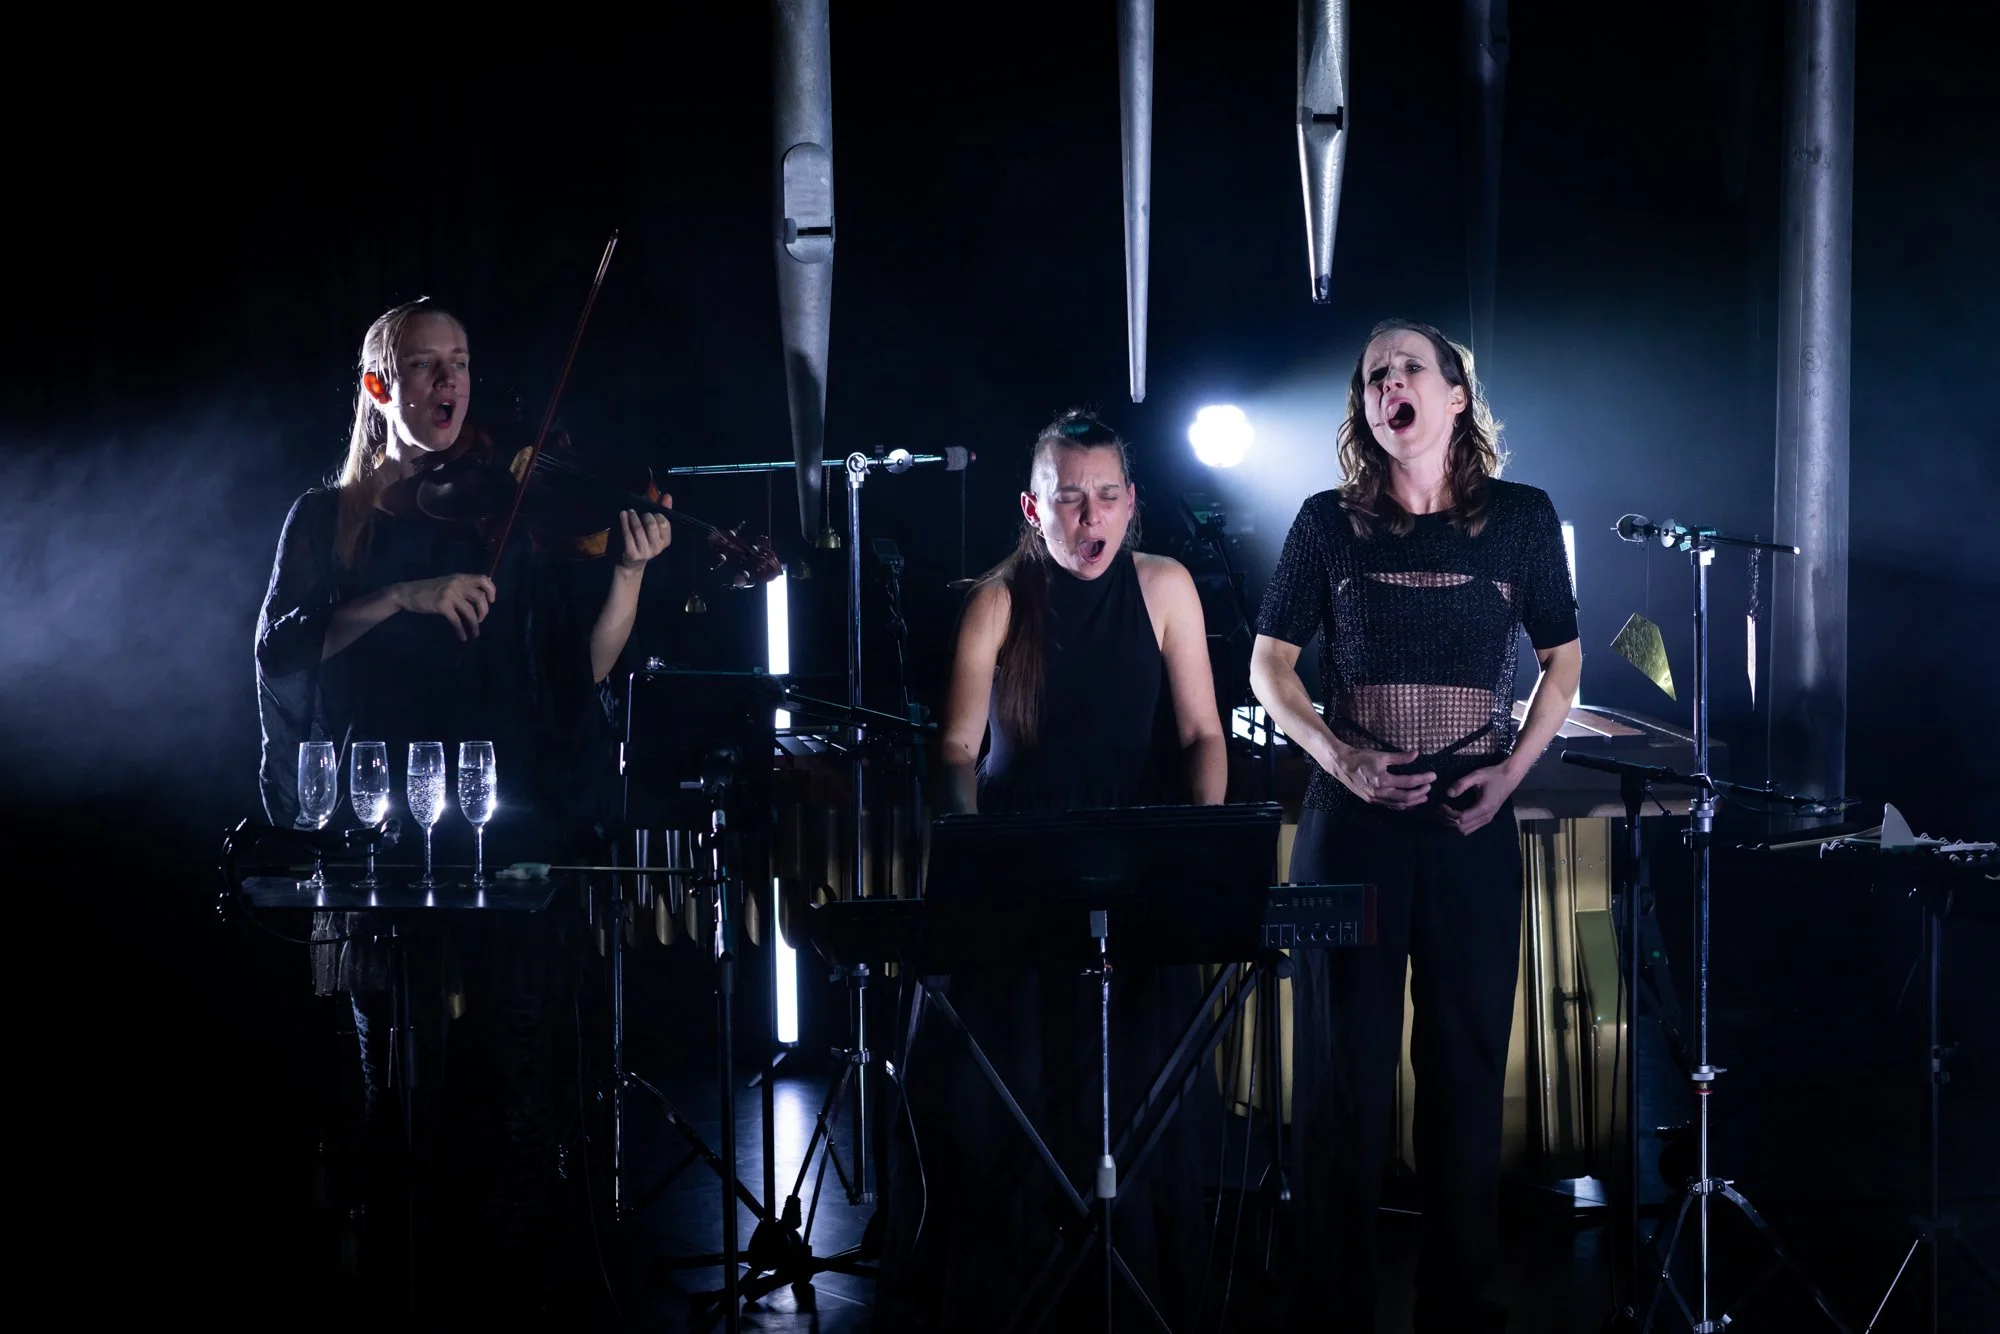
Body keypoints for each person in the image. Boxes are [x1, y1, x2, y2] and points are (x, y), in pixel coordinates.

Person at [253, 298, 670, 1326]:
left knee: (515, 1089)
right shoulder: (325, 518)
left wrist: (625, 575)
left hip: (504, 836)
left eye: (462, 363)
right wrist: (403, 596)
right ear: (378, 386)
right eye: (425, 366)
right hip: (379, 842)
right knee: (394, 1084)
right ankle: (403, 1293)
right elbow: (280, 648)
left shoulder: (510, 512)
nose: (449, 385)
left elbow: (577, 675)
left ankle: (507, 1302)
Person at [1250, 319, 1581, 1333]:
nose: (1385, 382)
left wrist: (1509, 778)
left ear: (1451, 396)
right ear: (1365, 407)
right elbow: (1267, 666)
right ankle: (1331, 1301)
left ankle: (1457, 1298)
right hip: (1345, 822)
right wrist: (1340, 758)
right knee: (1338, 1067)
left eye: (1406, 368)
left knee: (1464, 1059)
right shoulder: (1322, 522)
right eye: (1370, 374)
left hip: (1469, 817)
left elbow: (1562, 668)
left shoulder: (1522, 519)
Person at [873, 409, 1228, 1332]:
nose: (1089, 516)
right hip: (1022, 873)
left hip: (1138, 868)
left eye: (1106, 496)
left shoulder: (1168, 586)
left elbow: (1201, 735)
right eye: (1069, 499)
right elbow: (954, 749)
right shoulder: (996, 602)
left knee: (1134, 1102)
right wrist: (975, 855)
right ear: (1035, 507)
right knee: (1008, 1105)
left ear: (1131, 503)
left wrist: (1201, 851)